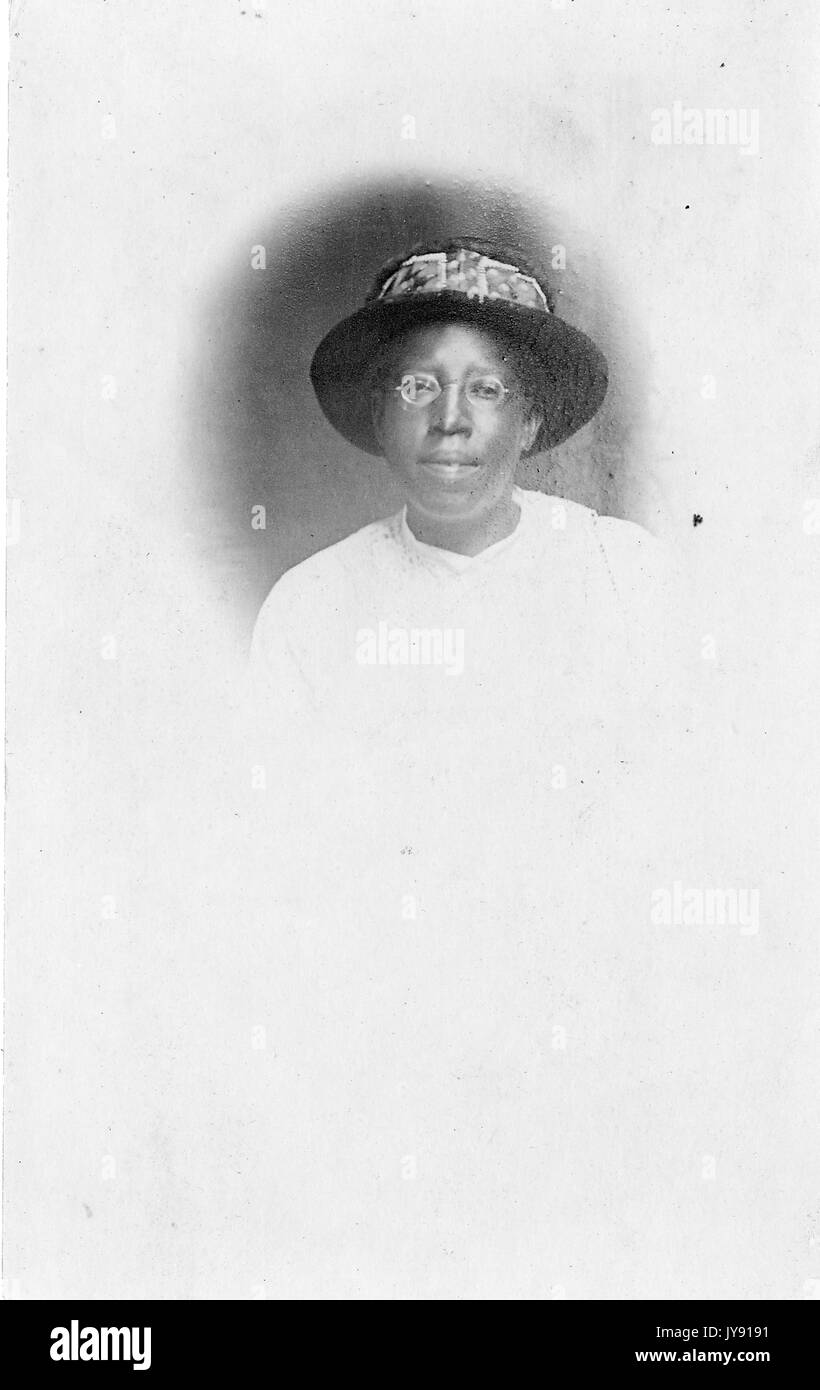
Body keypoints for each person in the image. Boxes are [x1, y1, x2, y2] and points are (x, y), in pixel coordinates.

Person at [245, 236, 696, 1297]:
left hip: (597, 1034)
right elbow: (289, 869)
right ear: (377, 415)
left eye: (487, 388)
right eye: (418, 385)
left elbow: (681, 815)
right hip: (388, 1048)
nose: (451, 419)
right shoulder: (313, 608)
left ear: (531, 419)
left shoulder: (620, 579)